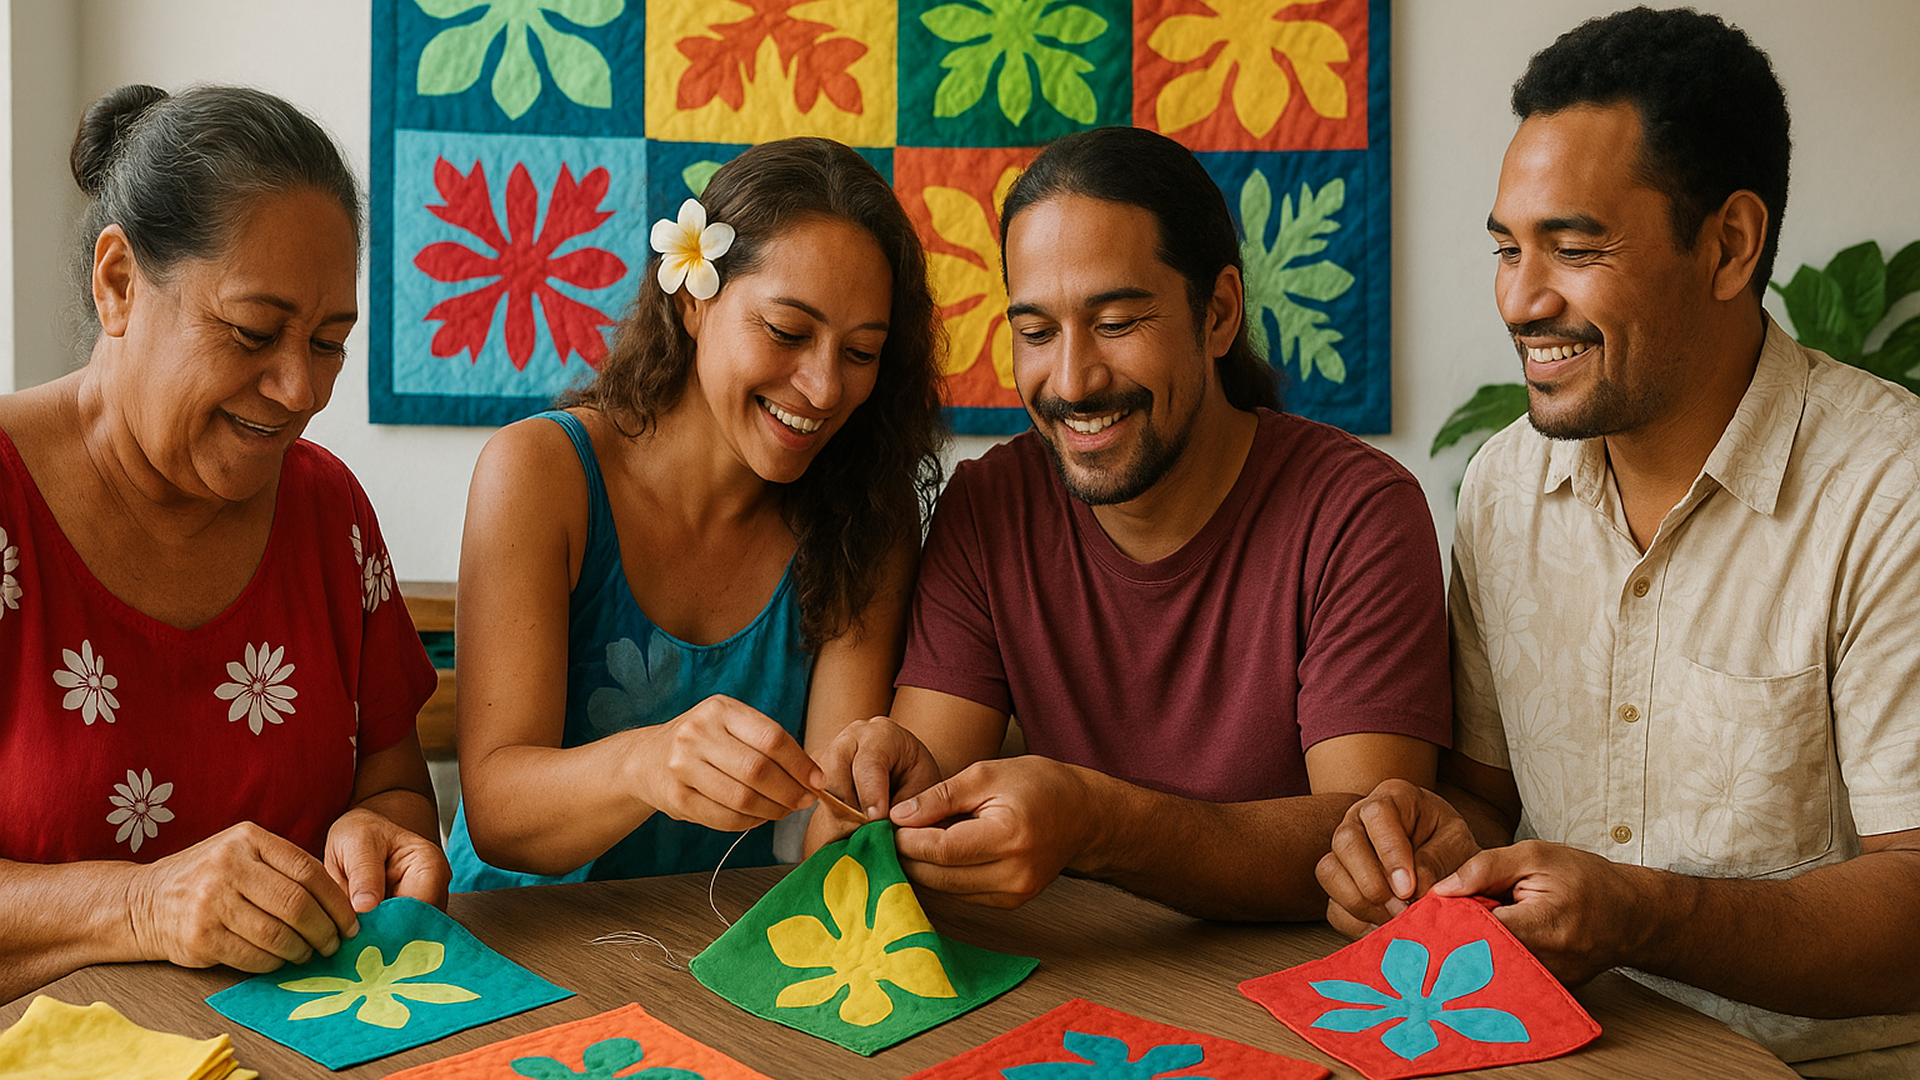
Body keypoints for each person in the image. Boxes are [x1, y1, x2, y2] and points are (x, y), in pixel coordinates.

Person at [1317, 8, 1920, 1075]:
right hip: (1547, 1048)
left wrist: (1644, 916)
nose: (1521, 299)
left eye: (1575, 248)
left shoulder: (1890, 487)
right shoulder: (1503, 483)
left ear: (1729, 244)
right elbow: (1485, 800)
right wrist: (1425, 848)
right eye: (1507, 248)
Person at [811, 126, 1452, 920]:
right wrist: (892, 785)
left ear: (1217, 315)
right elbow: (928, 798)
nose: (1073, 381)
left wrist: (1099, 822)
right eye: (1037, 333)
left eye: (1116, 323)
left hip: (1309, 994)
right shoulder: (989, 506)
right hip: (1081, 984)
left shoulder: (1358, 513)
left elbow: (1372, 845)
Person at [0, 85, 446, 1002]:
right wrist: (142, 906)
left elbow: (394, 789)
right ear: (118, 282)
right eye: (252, 332)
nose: (299, 390)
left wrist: (382, 836)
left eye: (329, 342)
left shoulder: (329, 515)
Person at [447, 138, 945, 888]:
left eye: (861, 353)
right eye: (786, 332)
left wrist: (863, 805)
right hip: (518, 949)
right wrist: (648, 761)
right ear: (691, 300)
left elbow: (824, 837)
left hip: (722, 955)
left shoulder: (868, 511)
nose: (822, 388)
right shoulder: (539, 474)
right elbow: (497, 817)